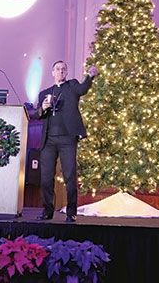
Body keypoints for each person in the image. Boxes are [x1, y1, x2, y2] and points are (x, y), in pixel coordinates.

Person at [34, 60, 97, 222]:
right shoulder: (44, 93)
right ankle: (47, 211)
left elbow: (83, 89)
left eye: (63, 69)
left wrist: (90, 76)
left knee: (70, 176)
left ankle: (71, 212)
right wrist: (44, 107)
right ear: (52, 73)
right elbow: (37, 114)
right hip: (49, 140)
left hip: (68, 138)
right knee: (46, 178)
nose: (61, 71)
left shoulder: (72, 86)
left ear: (66, 73)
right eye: (57, 69)